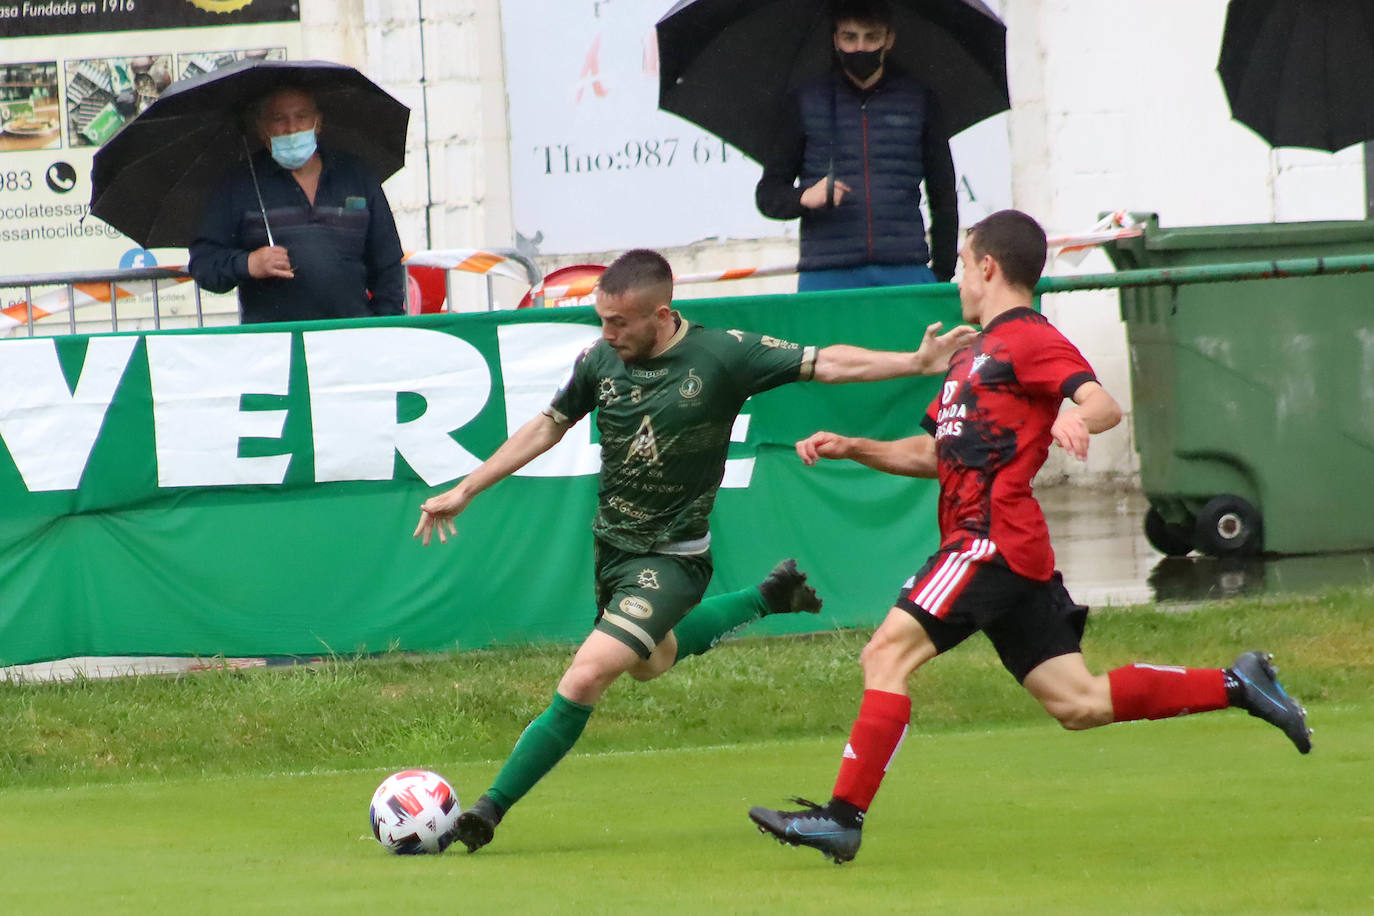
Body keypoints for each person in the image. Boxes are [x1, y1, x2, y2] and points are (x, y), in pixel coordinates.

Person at [747, 210, 1312, 865]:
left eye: (962, 264)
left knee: (885, 657)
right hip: (1010, 551)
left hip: (987, 540)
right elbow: (932, 455)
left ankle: (842, 820)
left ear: (988, 266)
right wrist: (853, 447)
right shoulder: (970, 359)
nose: (959, 277)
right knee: (1078, 702)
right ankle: (1240, 684)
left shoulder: (1029, 339)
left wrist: (1076, 415)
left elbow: (1102, 404)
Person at [413, 248, 977, 854]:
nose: (608, 334)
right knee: (651, 661)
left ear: (661, 313)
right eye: (602, 320)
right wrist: (468, 488)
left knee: (585, 677)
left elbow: (825, 363)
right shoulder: (601, 358)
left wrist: (915, 362)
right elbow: (549, 424)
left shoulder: (721, 354)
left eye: (619, 323)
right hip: (613, 552)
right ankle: (765, 595)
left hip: (673, 560)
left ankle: (487, 811)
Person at [755, 0, 958, 293]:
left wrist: (942, 273)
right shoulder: (804, 101)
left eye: (872, 37)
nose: (860, 48)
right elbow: (768, 195)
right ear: (835, 39)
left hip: (905, 268)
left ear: (889, 39)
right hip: (826, 273)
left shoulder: (920, 99)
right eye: (850, 37)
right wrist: (803, 198)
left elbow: (943, 196)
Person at [188, 84, 405, 323]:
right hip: (275, 344)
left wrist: (386, 325)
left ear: (318, 122)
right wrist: (249, 263)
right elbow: (204, 265)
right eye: (279, 119)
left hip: (350, 339)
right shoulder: (238, 185)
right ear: (261, 129)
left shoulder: (356, 175)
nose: (292, 128)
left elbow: (387, 263)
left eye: (301, 117)